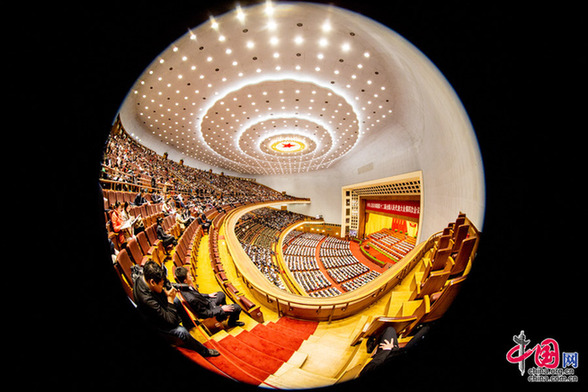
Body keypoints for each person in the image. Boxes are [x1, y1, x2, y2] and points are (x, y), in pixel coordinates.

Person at [133, 261, 219, 357]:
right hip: (155, 322)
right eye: (161, 285)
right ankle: (204, 351)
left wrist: (165, 289)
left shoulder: (146, 276)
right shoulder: (146, 300)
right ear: (152, 282)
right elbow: (171, 321)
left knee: (177, 301)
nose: (162, 286)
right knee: (181, 331)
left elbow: (164, 283)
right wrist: (169, 299)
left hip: (160, 306)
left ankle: (189, 324)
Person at [173, 266, 244, 328]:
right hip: (211, 311)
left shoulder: (184, 287)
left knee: (220, 294)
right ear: (185, 281)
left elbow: (197, 294)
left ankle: (224, 315)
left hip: (207, 303)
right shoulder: (192, 299)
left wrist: (208, 295)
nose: (191, 277)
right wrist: (221, 309)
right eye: (189, 276)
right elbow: (205, 313)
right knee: (237, 307)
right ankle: (231, 322)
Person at [359, 324, 431, 376]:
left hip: (385, 357)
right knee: (426, 329)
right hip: (398, 352)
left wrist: (386, 351)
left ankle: (371, 347)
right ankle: (372, 347)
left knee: (389, 330)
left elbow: (365, 372)